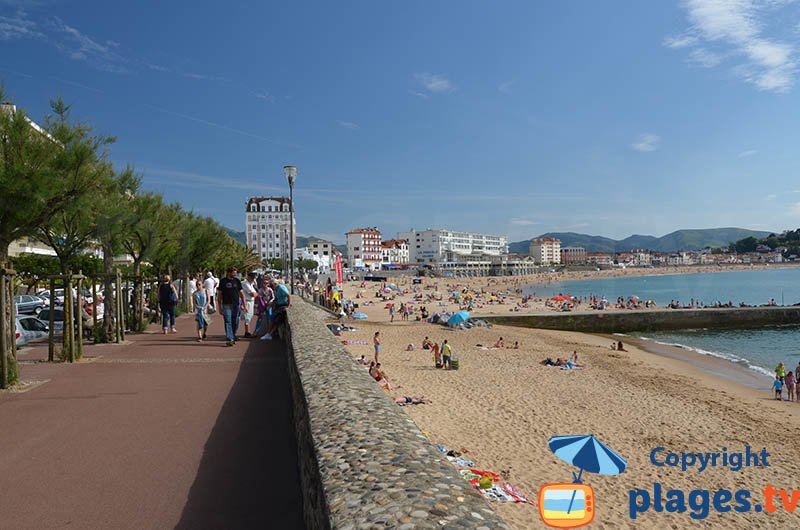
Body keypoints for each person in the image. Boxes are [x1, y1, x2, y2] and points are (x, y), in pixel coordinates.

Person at [218, 267, 245, 346]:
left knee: (235, 320)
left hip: (236, 304)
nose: (235, 274)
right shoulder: (223, 281)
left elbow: (241, 293)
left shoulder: (237, 281)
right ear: (229, 273)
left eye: (235, 272)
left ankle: (233, 335)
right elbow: (219, 294)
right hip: (226, 304)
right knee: (228, 321)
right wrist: (219, 307)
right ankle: (230, 338)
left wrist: (244, 304)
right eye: (234, 272)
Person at [241, 272, 258, 338]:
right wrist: (255, 293)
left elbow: (255, 292)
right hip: (247, 301)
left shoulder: (251, 284)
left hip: (251, 301)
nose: (253, 280)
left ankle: (247, 331)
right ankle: (247, 332)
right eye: (252, 278)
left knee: (249, 316)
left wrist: (255, 293)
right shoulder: (245, 283)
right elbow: (253, 294)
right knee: (247, 316)